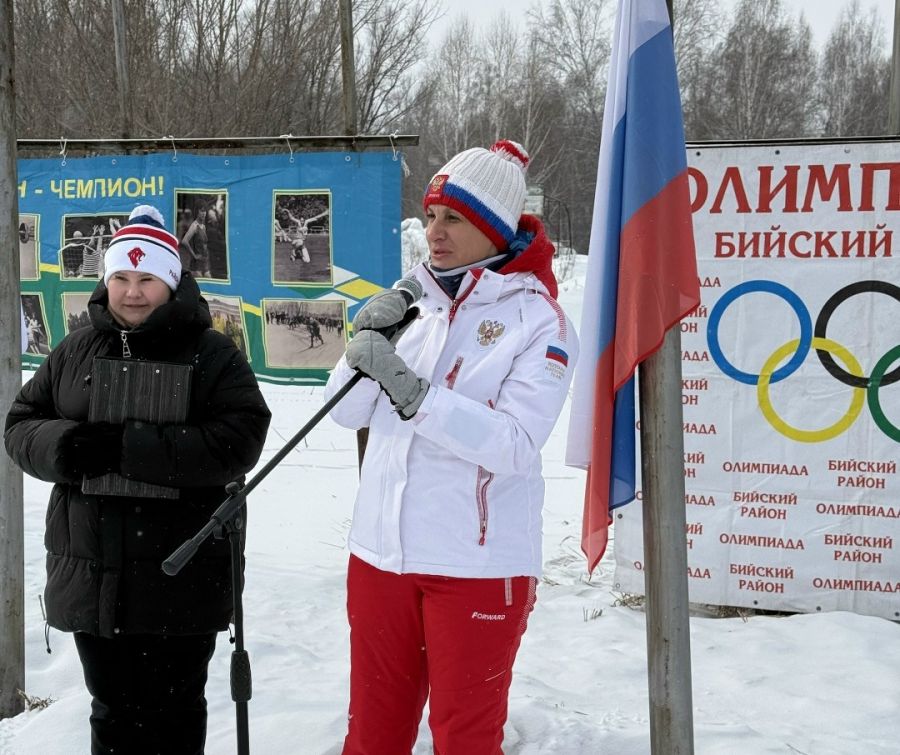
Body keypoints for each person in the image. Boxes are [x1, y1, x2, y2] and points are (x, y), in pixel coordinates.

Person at [325, 139, 579, 753]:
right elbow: (346, 412)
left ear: (494, 229)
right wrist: (366, 340)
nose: (434, 232)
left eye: (454, 219)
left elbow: (517, 444)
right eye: (432, 215)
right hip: (381, 556)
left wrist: (416, 394)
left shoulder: (538, 320)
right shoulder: (414, 303)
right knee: (373, 734)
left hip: (474, 567)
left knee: (464, 738)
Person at [4, 204, 271, 755]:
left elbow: (239, 439)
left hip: (181, 573)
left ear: (171, 281)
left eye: (147, 278)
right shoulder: (76, 348)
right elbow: (20, 424)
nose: (132, 292)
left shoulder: (211, 353)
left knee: (173, 714)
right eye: (121, 278)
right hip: (91, 570)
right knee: (112, 712)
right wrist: (66, 446)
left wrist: (129, 448)